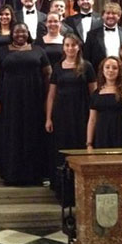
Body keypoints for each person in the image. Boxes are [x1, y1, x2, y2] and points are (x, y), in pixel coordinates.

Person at [0, 23, 51, 185]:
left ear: (28, 33)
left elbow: (48, 75)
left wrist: (47, 100)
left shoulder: (38, 50)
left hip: (34, 100)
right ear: (12, 34)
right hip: (10, 101)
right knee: (12, 134)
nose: (20, 34)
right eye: (17, 31)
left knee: (33, 133)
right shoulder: (2, 51)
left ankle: (34, 175)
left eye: (23, 31)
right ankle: (11, 175)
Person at [45, 33, 96, 193]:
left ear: (78, 47)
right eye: (67, 45)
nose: (70, 48)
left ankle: (80, 188)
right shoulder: (58, 67)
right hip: (61, 115)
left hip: (81, 114)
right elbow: (51, 95)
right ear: (63, 47)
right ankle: (62, 188)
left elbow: (93, 94)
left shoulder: (87, 66)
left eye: (73, 45)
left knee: (79, 147)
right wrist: (48, 118)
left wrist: (93, 118)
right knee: (62, 149)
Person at [86, 57, 122, 149]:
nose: (110, 70)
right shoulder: (96, 93)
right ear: (102, 70)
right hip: (101, 137)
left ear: (120, 71)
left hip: (121, 137)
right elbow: (92, 120)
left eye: (114, 68)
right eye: (107, 67)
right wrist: (89, 143)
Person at [84, 2, 122, 72]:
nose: (111, 16)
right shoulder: (92, 35)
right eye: (108, 13)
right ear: (102, 15)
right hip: (99, 75)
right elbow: (87, 58)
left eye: (114, 13)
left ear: (119, 16)